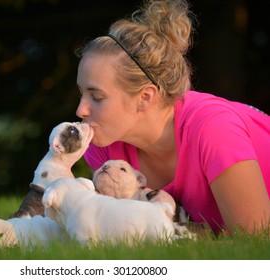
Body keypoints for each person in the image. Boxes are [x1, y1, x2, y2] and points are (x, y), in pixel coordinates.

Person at [74, 0, 270, 235]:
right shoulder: (104, 147)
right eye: (82, 93)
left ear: (145, 97)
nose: (81, 110)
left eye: (96, 97)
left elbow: (256, 239)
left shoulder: (212, 128)